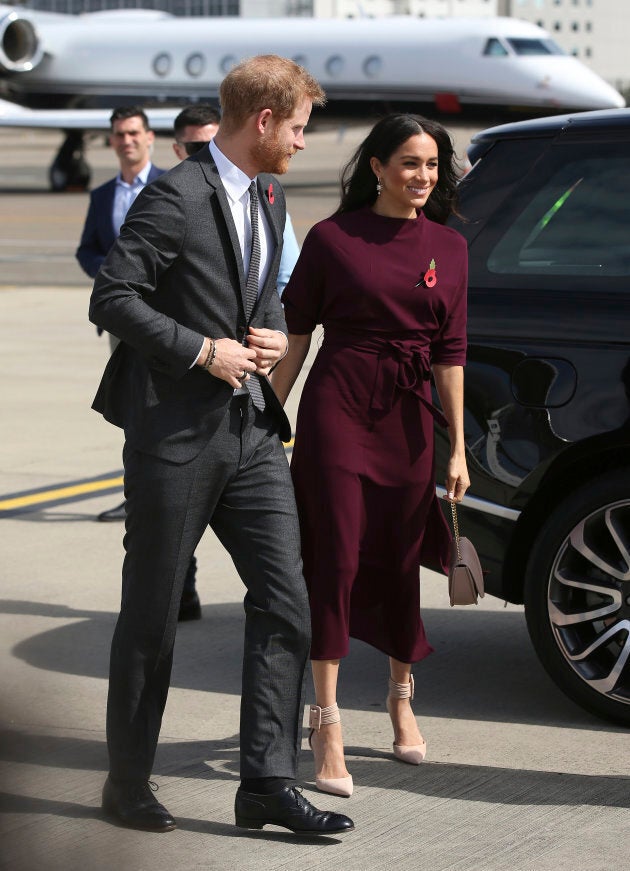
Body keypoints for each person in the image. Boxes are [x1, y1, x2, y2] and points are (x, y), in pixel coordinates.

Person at [89, 54, 354, 837]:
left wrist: (269, 330)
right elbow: (115, 295)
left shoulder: (271, 193)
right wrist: (202, 350)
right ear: (264, 122)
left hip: (250, 431)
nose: (305, 143)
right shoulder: (175, 196)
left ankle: (265, 780)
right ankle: (128, 779)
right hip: (174, 433)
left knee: (287, 597)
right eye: (299, 128)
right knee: (153, 614)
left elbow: (260, 285)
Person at [271, 113, 470, 798]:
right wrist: (267, 413)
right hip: (339, 406)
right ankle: (325, 720)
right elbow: (296, 337)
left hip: (411, 421)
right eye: (410, 163)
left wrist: (458, 446)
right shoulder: (332, 239)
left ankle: (400, 695)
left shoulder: (450, 246)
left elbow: (450, 354)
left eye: (433, 165)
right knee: (337, 557)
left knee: (394, 556)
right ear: (378, 167)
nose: (423, 177)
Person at [76, 106, 201, 621]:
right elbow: (89, 250)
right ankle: (141, 489)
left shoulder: (174, 188)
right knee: (136, 418)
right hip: (127, 329)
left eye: (134, 133)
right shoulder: (103, 196)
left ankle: (179, 574)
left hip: (178, 335)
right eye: (118, 135)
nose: (127, 142)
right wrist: (113, 278)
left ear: (151, 139)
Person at [172, 102, 301, 295]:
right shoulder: (169, 201)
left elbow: (287, 276)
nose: (206, 153)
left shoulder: (263, 198)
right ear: (177, 150)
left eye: (212, 144)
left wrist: (274, 323)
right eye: (195, 147)